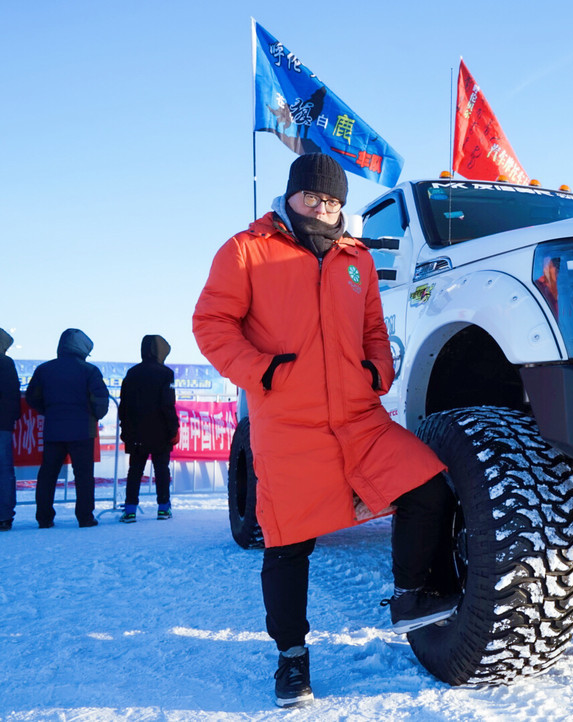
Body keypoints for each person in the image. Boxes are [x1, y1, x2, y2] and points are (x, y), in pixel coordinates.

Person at [193, 153, 457, 708]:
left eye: (333, 200)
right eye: (313, 197)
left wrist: (376, 372)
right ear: (291, 196)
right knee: (289, 542)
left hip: (359, 416)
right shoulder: (247, 250)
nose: (323, 207)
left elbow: (372, 329)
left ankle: (410, 594)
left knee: (427, 483)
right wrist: (262, 372)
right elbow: (211, 324)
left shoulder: (354, 256)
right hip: (289, 423)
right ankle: (291, 659)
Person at [25, 328, 109, 529]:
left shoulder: (44, 370)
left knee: (48, 474)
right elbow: (101, 400)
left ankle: (44, 518)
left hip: (54, 429)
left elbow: (32, 397)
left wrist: (49, 410)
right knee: (83, 475)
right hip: (83, 430)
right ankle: (85, 517)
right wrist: (94, 415)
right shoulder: (89, 371)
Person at [118, 334, 180, 522]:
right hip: (160, 431)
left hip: (136, 431)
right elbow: (167, 404)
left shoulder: (132, 373)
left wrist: (126, 429)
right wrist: (173, 428)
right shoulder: (166, 374)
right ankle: (163, 508)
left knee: (135, 470)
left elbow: (124, 405)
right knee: (161, 469)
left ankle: (130, 510)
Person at [0, 328, 20, 531]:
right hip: (2, 425)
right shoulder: (5, 363)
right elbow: (11, 394)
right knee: (4, 470)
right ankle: (4, 516)